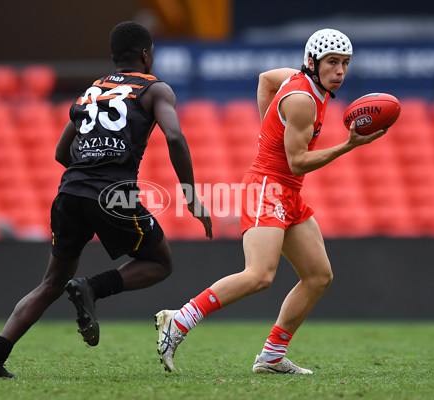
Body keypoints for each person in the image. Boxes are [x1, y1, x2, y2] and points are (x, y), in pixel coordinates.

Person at [0, 21, 212, 378]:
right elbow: (175, 136)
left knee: (50, 283)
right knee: (160, 262)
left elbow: (60, 151)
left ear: (115, 57)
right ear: (146, 54)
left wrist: (88, 172)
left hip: (69, 192)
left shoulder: (92, 91)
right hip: (111, 193)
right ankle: (91, 288)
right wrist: (191, 196)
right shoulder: (155, 89)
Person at [155, 28, 387, 374]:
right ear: (313, 62)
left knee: (318, 275)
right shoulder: (302, 101)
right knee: (259, 275)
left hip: (287, 190)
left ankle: (271, 357)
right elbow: (297, 161)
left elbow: (265, 79)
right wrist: (350, 145)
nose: (340, 71)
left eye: (345, 64)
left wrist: (268, 127)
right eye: (333, 62)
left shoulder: (301, 81)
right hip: (268, 187)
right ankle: (179, 321)